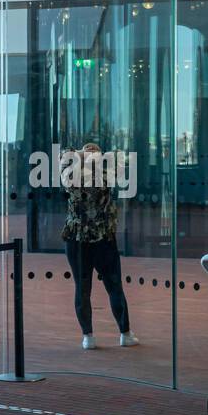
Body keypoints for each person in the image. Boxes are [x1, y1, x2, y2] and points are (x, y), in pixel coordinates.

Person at [61, 141, 137, 351]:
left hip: (81, 239)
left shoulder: (75, 172)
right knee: (111, 286)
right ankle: (124, 333)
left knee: (86, 288)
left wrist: (81, 155)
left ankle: (91, 337)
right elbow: (119, 158)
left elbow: (66, 158)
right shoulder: (103, 171)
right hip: (100, 237)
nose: (91, 152)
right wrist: (92, 155)